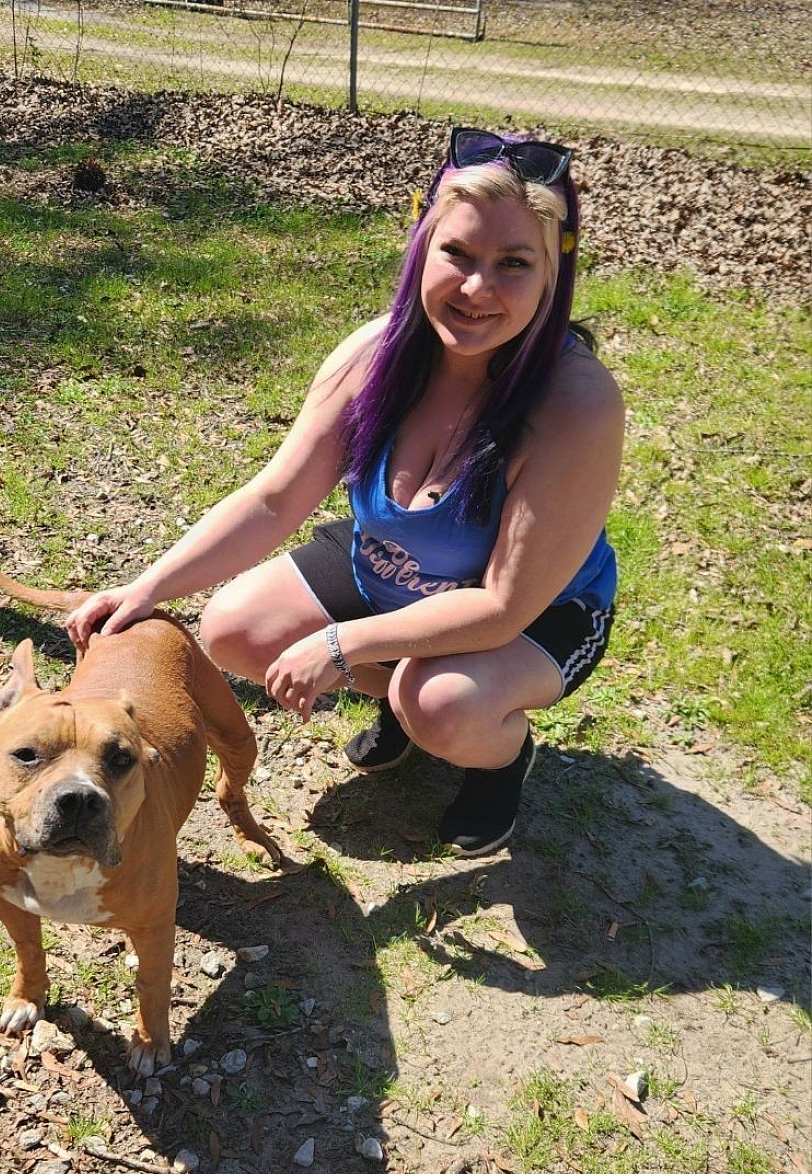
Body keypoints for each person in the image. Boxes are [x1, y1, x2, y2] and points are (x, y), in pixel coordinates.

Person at [66, 127, 624, 858]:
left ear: (554, 271)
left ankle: (498, 758)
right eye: (457, 252)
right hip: (395, 569)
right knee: (233, 628)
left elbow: (502, 606)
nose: (476, 288)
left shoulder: (576, 404)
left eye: (514, 263)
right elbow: (274, 499)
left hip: (537, 613)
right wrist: (146, 587)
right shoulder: (373, 354)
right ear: (422, 244)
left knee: (442, 702)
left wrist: (340, 644)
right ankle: (401, 693)